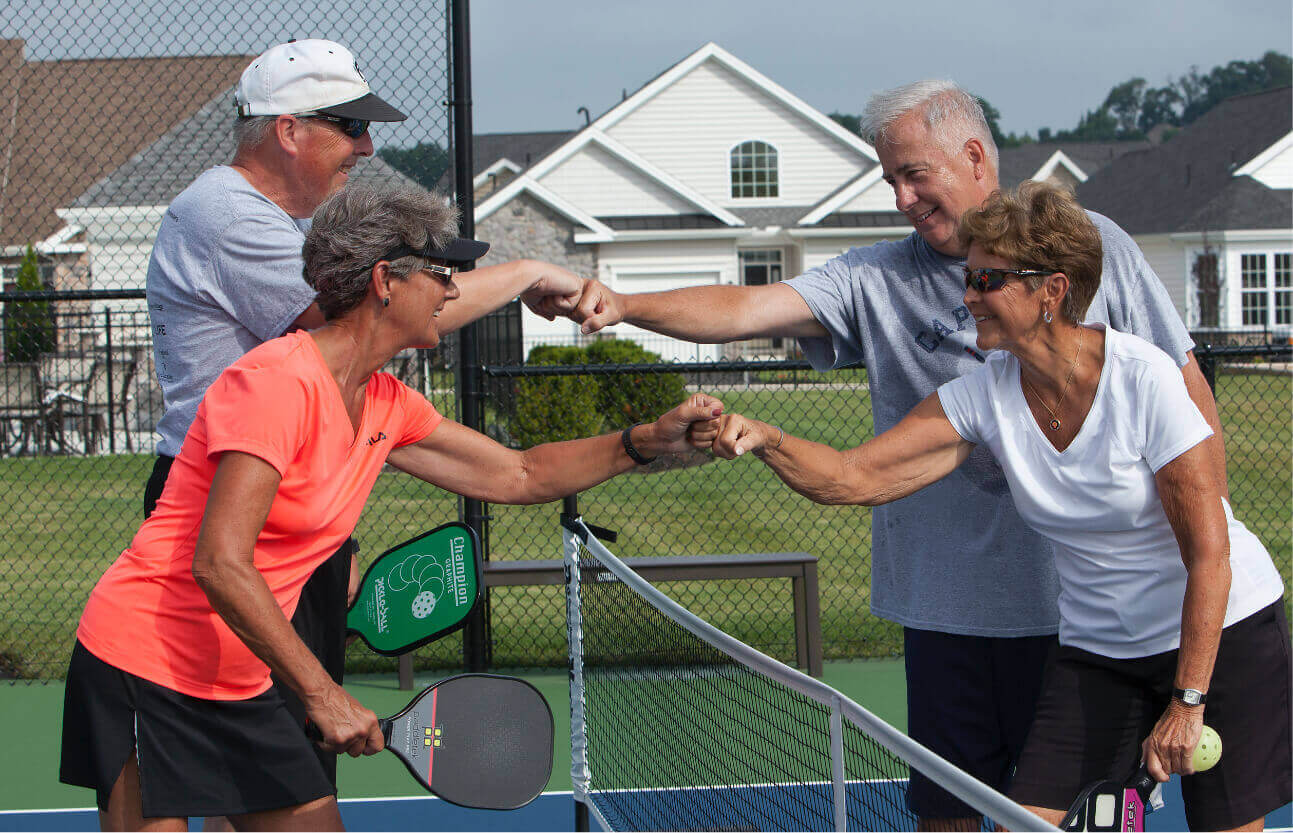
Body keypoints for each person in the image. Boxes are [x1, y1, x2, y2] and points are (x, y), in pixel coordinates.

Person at [559, 80, 1229, 828]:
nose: (901, 196)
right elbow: (746, 307)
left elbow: (1187, 397)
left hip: (1086, 618)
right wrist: (623, 304)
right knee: (945, 817)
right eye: (889, 179)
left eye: (914, 173)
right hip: (943, 614)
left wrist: (1208, 551)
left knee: (1074, 822)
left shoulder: (1093, 244)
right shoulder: (871, 277)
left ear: (974, 157)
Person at [61, 183, 721, 831]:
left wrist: (645, 441)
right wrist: (321, 692)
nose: (453, 291)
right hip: (144, 658)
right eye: (440, 274)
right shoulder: (273, 385)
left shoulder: (383, 402)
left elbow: (521, 471)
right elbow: (221, 562)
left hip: (237, 672)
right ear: (385, 280)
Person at [697, 181, 1289, 832]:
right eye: (968, 276)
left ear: (1051, 291)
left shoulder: (1142, 380)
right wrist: (767, 438)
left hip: (1219, 635)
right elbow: (851, 476)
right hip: (1099, 651)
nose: (967, 294)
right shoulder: (984, 395)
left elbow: (1209, 553)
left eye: (986, 278)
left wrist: (1186, 699)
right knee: (1020, 824)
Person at [141, 38, 585, 798]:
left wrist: (329, 535)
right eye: (350, 126)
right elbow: (361, 314)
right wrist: (526, 272)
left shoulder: (267, 220)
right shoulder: (225, 213)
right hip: (222, 515)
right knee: (258, 779)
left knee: (250, 783)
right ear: (288, 129)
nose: (366, 145)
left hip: (280, 510)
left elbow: (337, 380)